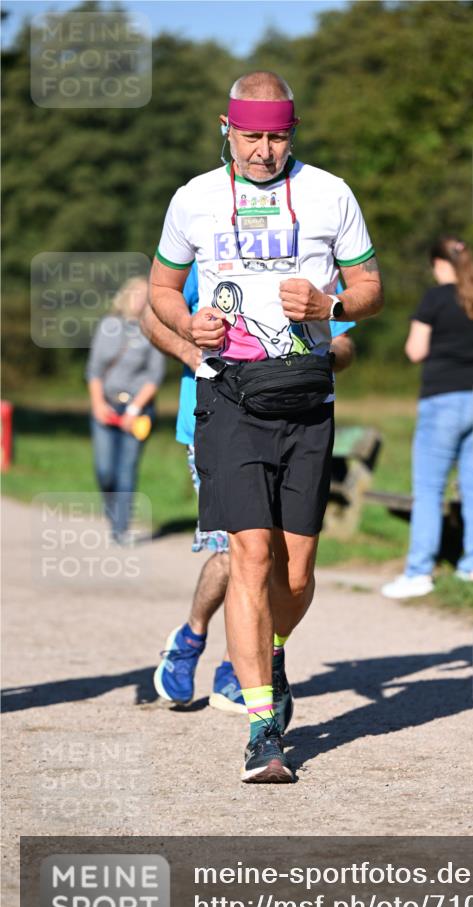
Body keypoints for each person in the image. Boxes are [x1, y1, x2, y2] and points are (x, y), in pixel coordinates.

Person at [149, 72, 382, 783]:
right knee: (248, 555)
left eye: (276, 135)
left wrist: (329, 303)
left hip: (306, 398)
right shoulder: (193, 198)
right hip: (229, 398)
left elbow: (370, 289)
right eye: (251, 135)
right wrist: (187, 324)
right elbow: (159, 287)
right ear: (227, 127)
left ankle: (272, 651)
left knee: (298, 569)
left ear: (293, 129)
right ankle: (261, 729)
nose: (263, 150)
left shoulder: (329, 193)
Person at [142, 264, 357, 714]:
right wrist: (195, 350)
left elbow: (345, 341)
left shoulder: (313, 259)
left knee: (280, 561)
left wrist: (306, 361)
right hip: (219, 418)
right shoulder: (215, 244)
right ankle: (191, 636)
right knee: (238, 552)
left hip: (296, 417)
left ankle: (238, 666)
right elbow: (151, 315)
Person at [381, 236, 473, 599]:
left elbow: (415, 350)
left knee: (428, 489)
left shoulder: (435, 299)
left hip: (445, 400)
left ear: (438, 263)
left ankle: (419, 572)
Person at [86, 276, 165, 543]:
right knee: (104, 469)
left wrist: (134, 409)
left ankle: (120, 529)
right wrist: (97, 403)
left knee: (126, 469)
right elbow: (94, 370)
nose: (140, 299)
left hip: (138, 410)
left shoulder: (153, 330)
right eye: (136, 293)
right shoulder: (108, 325)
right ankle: (111, 512)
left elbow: (155, 377)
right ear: (125, 295)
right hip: (105, 407)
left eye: (146, 295)